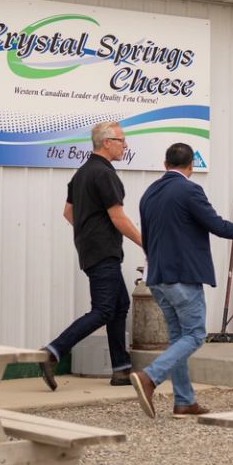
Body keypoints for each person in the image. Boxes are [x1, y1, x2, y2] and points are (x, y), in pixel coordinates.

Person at [129, 142, 233, 418]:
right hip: (182, 276)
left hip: (156, 276)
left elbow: (148, 235)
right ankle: (149, 377)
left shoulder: (148, 194)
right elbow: (217, 226)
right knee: (194, 335)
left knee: (179, 338)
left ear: (165, 164)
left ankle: (184, 401)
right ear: (191, 165)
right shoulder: (190, 190)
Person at [41, 120, 143, 391]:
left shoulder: (82, 173)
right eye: (121, 140)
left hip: (91, 250)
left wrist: (88, 233)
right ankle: (52, 351)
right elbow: (117, 217)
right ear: (106, 142)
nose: (125, 145)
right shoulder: (104, 174)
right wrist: (146, 243)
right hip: (104, 251)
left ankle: (121, 369)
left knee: (119, 305)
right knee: (104, 309)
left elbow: (68, 213)